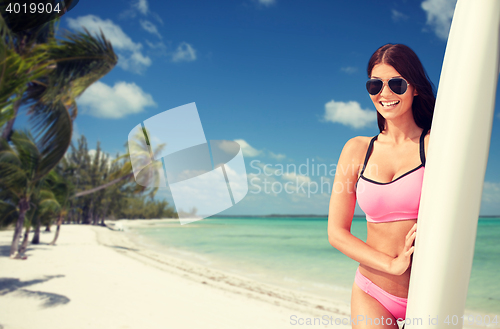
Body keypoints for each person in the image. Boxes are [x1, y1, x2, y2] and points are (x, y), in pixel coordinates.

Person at [327, 44, 435, 328]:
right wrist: (391, 264)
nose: (384, 94)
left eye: (396, 84)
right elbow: (337, 233)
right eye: (375, 85)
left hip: (430, 294)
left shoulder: (434, 145)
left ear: (415, 88)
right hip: (371, 291)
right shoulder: (356, 150)